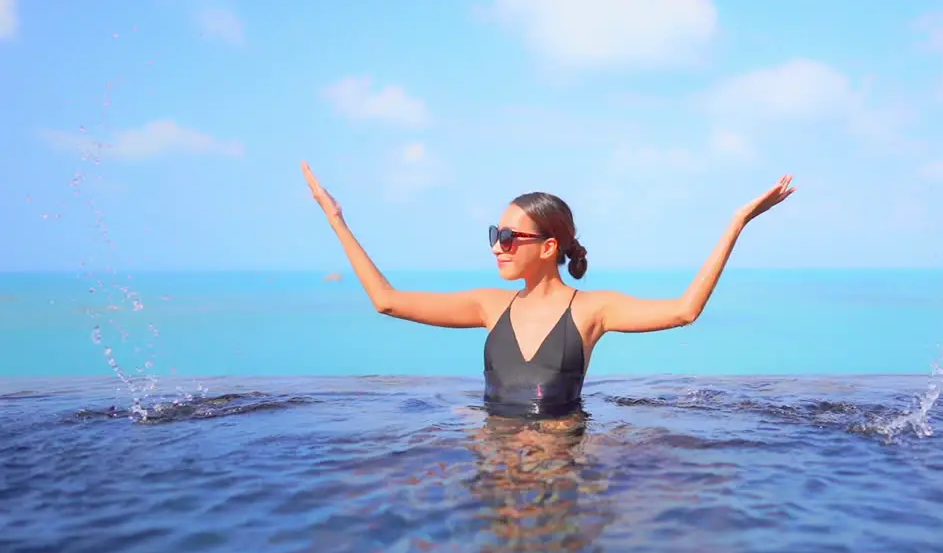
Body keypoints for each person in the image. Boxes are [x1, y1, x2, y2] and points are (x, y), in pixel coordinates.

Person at [301, 161, 795, 421]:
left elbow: (685, 311)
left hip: (561, 466)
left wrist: (737, 223)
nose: (498, 247)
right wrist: (336, 220)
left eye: (510, 238)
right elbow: (386, 300)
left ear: (548, 246)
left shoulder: (592, 310)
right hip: (493, 462)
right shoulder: (488, 305)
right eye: (495, 235)